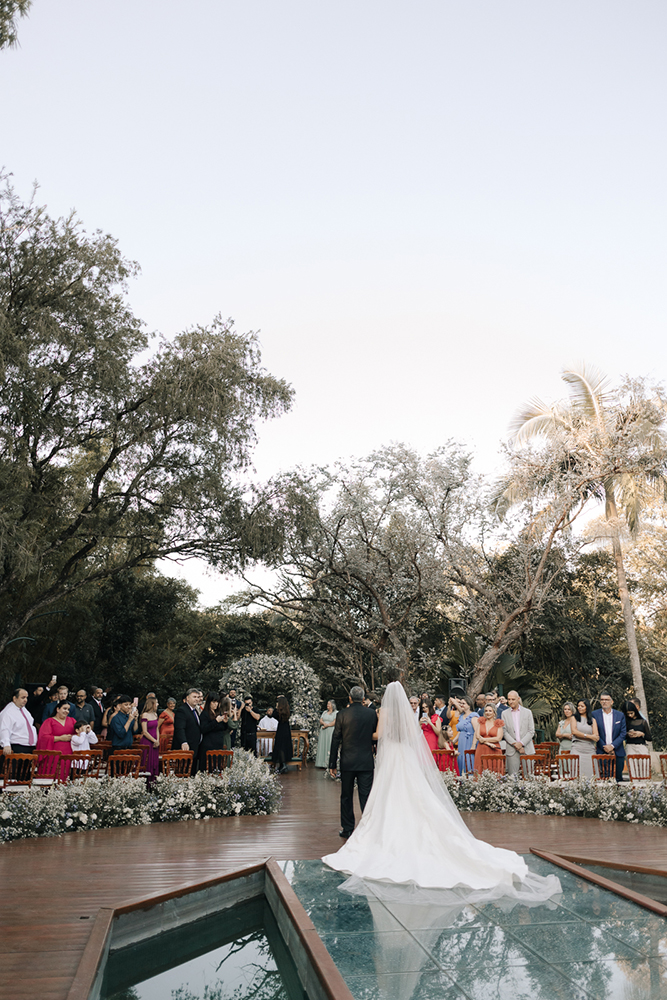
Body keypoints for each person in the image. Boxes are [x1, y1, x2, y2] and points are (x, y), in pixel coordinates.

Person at [322, 681, 561, 904]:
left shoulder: (381, 713)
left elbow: (380, 736)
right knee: (410, 792)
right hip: (403, 756)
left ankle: (373, 827)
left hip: (386, 756)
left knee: (383, 793)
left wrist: (358, 738)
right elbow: (403, 736)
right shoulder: (404, 714)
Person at [328, 687, 377, 839]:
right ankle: (368, 827)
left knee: (346, 795)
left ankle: (348, 828)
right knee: (366, 795)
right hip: (366, 761)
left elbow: (336, 739)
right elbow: (376, 736)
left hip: (347, 760)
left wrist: (332, 764)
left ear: (350, 698)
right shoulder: (371, 714)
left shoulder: (342, 714)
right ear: (363, 699)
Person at [592, 692, 627, 783]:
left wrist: (612, 746)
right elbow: (595, 733)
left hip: (617, 751)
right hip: (601, 751)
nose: (604, 702)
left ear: (612, 702)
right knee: (603, 778)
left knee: (618, 778)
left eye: (607, 700)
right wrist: (605, 746)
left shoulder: (620, 715)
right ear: (600, 701)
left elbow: (623, 733)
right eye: (602, 700)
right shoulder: (594, 714)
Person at [36, 700, 76, 779]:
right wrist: (60, 738)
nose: (67, 711)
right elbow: (43, 737)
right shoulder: (49, 721)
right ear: (58, 709)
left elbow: (79, 733)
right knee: (52, 774)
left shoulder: (72, 721)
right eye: (64, 708)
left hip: (68, 753)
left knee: (65, 774)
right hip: (53, 753)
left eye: (68, 709)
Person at [501, 691, 535, 777]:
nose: (511, 701)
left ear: (518, 699)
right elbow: (504, 732)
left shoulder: (528, 712)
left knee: (529, 777)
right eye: (509, 699)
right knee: (512, 778)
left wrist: (521, 743)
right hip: (512, 749)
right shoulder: (504, 713)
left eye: (513, 699)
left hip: (527, 748)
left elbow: (531, 731)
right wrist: (515, 744)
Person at [198, 692, 232, 769]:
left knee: (217, 768)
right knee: (208, 768)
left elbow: (223, 728)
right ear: (209, 702)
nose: (215, 704)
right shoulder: (205, 714)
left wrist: (225, 723)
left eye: (217, 702)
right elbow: (204, 729)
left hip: (218, 745)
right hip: (208, 745)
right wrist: (216, 721)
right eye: (213, 702)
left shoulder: (218, 713)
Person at [172, 688, 202, 773]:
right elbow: (179, 728)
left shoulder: (195, 710)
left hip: (194, 746)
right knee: (183, 771)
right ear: (187, 698)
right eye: (194, 697)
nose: (196, 699)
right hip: (185, 747)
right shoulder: (182, 710)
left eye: (198, 697)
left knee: (192, 771)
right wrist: (183, 742)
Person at [0, 688, 38, 755]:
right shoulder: (8, 712)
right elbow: (4, 729)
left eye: (26, 697)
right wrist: (6, 744)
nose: (25, 700)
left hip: (28, 747)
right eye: (23, 698)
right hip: (16, 747)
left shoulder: (24, 710)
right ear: (15, 698)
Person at [570, 699, 599, 778]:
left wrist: (583, 735)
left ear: (587, 707)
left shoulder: (593, 720)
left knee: (591, 774)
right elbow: (574, 732)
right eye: (578, 706)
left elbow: (596, 737)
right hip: (577, 748)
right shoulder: (574, 718)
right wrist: (588, 736)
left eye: (582, 706)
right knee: (576, 773)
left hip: (589, 749)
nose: (579, 708)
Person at [472, 703, 504, 773]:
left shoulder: (498, 723)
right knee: (480, 769)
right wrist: (488, 743)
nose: (488, 713)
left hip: (494, 750)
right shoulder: (481, 722)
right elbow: (478, 736)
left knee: (494, 770)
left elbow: (498, 738)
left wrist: (484, 740)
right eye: (486, 711)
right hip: (481, 749)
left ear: (494, 712)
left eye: (490, 711)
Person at [418, 696, 446, 771]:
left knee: (431, 761)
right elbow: (416, 732)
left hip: (433, 740)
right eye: (423, 708)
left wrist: (430, 723)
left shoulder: (435, 717)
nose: (425, 709)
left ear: (429, 707)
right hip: (423, 740)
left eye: (426, 707)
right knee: (422, 761)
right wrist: (419, 723)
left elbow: (439, 733)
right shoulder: (422, 718)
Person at [139, 695, 160, 780]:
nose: (158, 704)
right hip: (147, 741)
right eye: (156, 703)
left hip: (155, 741)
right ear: (152, 704)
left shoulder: (155, 714)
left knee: (154, 761)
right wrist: (154, 740)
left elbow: (157, 729)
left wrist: (158, 740)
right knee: (147, 761)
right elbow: (144, 731)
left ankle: (153, 782)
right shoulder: (145, 715)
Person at [271, 695, 293, 774]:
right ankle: (282, 765)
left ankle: (283, 764)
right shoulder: (286, 711)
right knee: (283, 747)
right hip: (286, 730)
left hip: (281, 730)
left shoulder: (278, 712)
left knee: (280, 747)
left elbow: (273, 715)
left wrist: (276, 707)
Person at [455, 696, 476, 774]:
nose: (461, 705)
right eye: (460, 703)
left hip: (469, 741)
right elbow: (460, 732)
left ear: (469, 705)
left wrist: (473, 745)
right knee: (461, 759)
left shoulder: (473, 716)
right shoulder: (461, 716)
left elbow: (477, 731)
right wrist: (452, 741)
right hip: (461, 742)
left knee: (469, 760)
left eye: (463, 703)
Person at [315, 700, 338, 768]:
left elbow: (335, 722)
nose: (327, 705)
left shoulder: (336, 713)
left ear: (332, 705)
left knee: (329, 745)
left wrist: (327, 725)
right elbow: (321, 720)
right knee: (322, 745)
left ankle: (328, 763)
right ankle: (321, 763)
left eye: (329, 704)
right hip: (323, 731)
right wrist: (324, 724)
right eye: (327, 704)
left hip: (330, 730)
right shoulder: (325, 712)